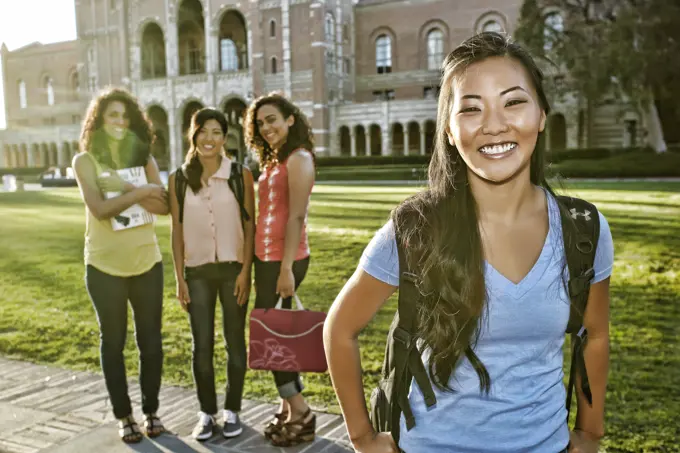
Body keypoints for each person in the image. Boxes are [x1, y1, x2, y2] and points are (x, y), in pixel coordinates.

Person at [323, 32, 614, 453]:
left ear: (542, 114)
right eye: (471, 108)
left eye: (513, 102)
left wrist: (590, 432)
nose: (494, 124)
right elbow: (340, 328)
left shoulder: (584, 229)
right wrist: (363, 437)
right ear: (449, 130)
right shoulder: (416, 228)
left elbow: (597, 335)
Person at [72, 87, 169, 443]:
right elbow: (99, 210)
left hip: (147, 262)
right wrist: (142, 191)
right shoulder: (85, 161)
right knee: (113, 342)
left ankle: (152, 411)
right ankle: (124, 416)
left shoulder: (144, 158)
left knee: (151, 343)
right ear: (99, 120)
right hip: (104, 267)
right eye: (112, 115)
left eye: (125, 116)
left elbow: (164, 206)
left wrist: (133, 188)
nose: (119, 122)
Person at [168, 108, 255, 441]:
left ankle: (232, 410)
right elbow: (176, 232)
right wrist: (179, 279)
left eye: (217, 132)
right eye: (203, 131)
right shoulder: (178, 179)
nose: (209, 138)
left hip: (233, 270)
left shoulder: (239, 175)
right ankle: (206, 413)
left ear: (225, 137)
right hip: (197, 274)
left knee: (235, 342)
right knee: (200, 345)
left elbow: (250, 225)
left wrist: (246, 271)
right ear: (193, 135)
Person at [243, 92, 317, 447]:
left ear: (290, 119)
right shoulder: (274, 160)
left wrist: (287, 269)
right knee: (273, 337)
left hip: (284, 261)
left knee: (270, 339)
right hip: (267, 260)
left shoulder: (299, 159)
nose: (266, 127)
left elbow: (297, 216)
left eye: (272, 119)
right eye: (260, 123)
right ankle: (290, 408)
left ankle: (301, 412)